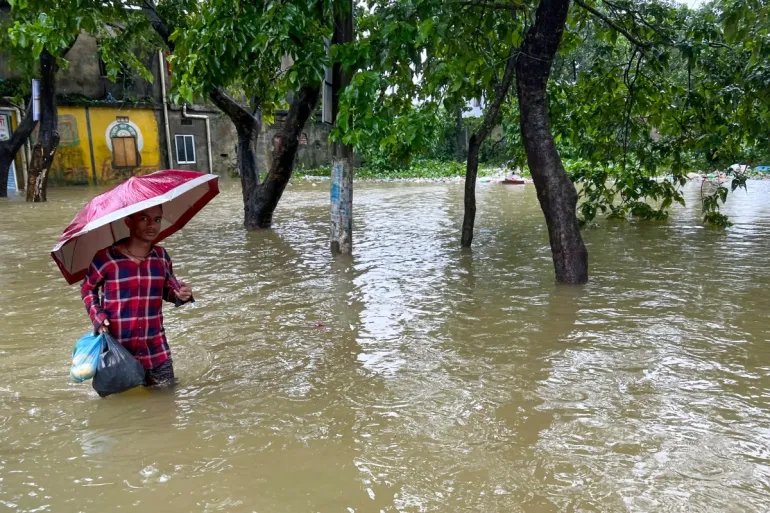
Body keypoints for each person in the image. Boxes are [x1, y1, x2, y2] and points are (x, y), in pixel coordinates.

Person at [81, 205, 193, 388]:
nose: (152, 225)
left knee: (166, 407)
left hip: (156, 352)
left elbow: (168, 291)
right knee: (121, 409)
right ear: (128, 222)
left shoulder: (161, 256)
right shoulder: (106, 258)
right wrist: (99, 318)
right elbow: (87, 289)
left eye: (157, 219)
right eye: (144, 218)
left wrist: (182, 295)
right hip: (119, 353)